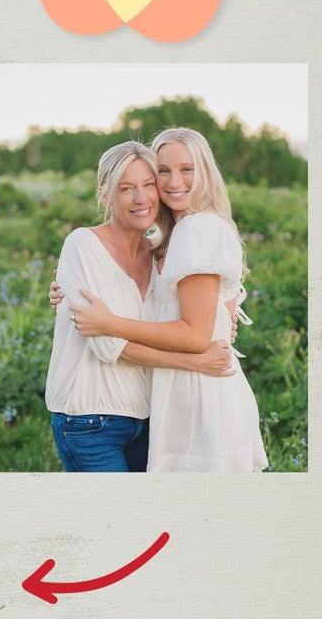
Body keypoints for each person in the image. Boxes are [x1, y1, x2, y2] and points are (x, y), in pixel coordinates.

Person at [68, 127, 268, 472]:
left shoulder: (197, 230)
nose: (174, 182)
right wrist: (64, 289)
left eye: (186, 169)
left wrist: (110, 324)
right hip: (182, 394)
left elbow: (195, 336)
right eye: (163, 171)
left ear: (205, 170)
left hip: (199, 395)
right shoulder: (167, 237)